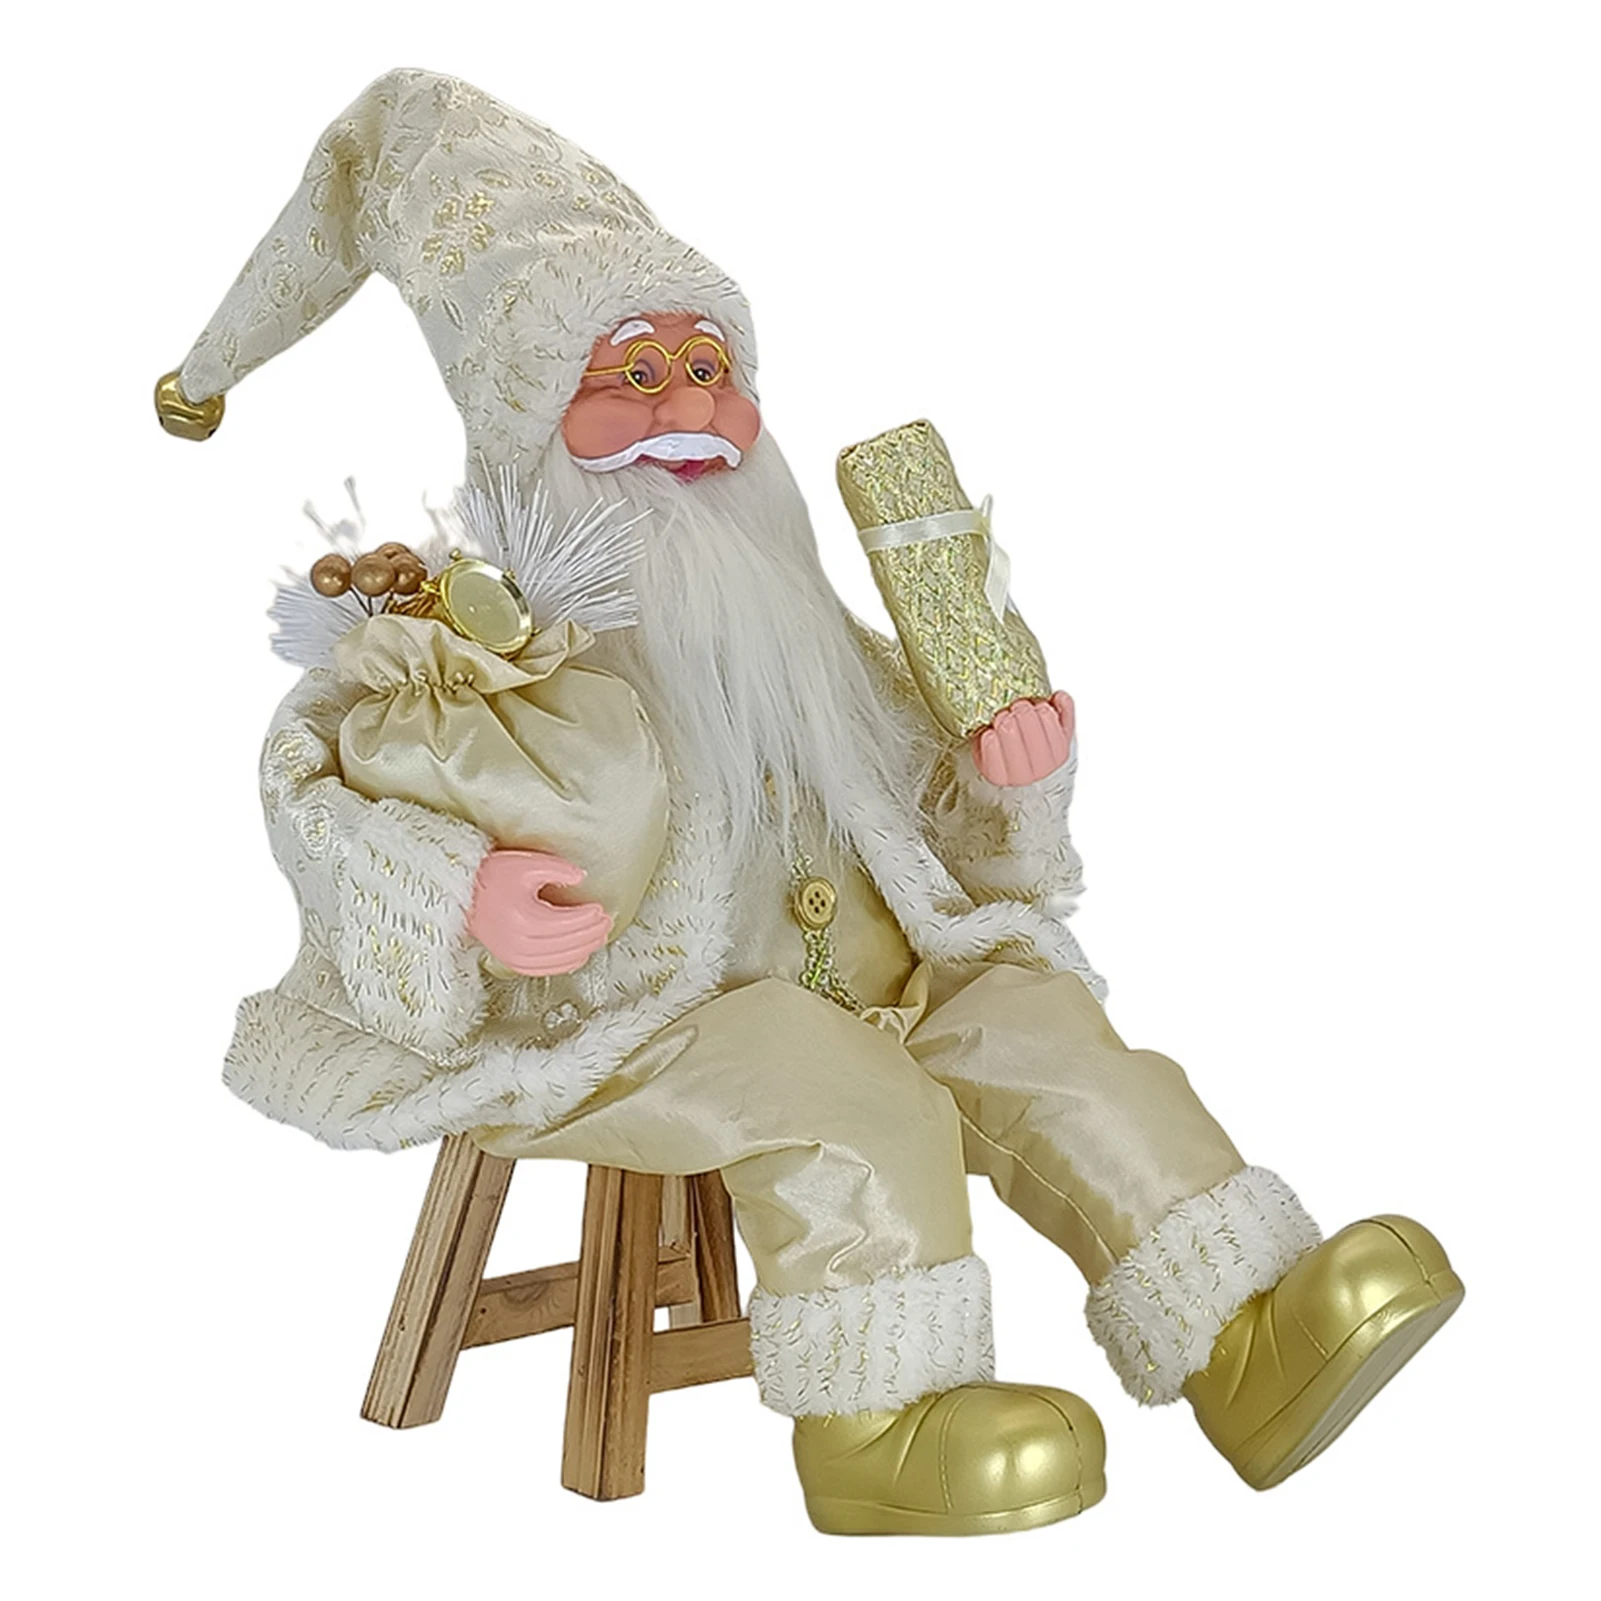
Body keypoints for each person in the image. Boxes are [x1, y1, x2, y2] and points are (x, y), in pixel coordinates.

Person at [156, 69, 1462, 1537]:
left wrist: (1006, 780)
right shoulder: (473, 645)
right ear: (532, 407)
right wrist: (460, 891)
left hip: (881, 977)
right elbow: (314, 784)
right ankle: (880, 1421)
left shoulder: (799, 627)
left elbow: (922, 813)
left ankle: (1245, 1326)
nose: (688, 406)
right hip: (634, 1015)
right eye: (632, 375)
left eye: (709, 365)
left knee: (1047, 1035)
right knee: (841, 1101)